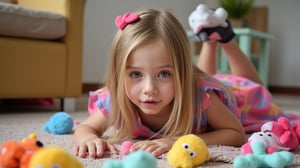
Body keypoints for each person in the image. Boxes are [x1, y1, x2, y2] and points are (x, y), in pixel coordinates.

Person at [74, 8, 299, 159]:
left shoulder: (203, 96)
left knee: (254, 88)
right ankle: (209, 41)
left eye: (163, 74)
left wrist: (176, 140)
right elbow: (86, 128)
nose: (148, 88)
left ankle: (226, 39)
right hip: (203, 84)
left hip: (238, 98)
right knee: (212, 77)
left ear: (183, 71)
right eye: (135, 74)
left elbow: (235, 133)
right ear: (118, 74)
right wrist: (89, 138)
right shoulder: (118, 100)